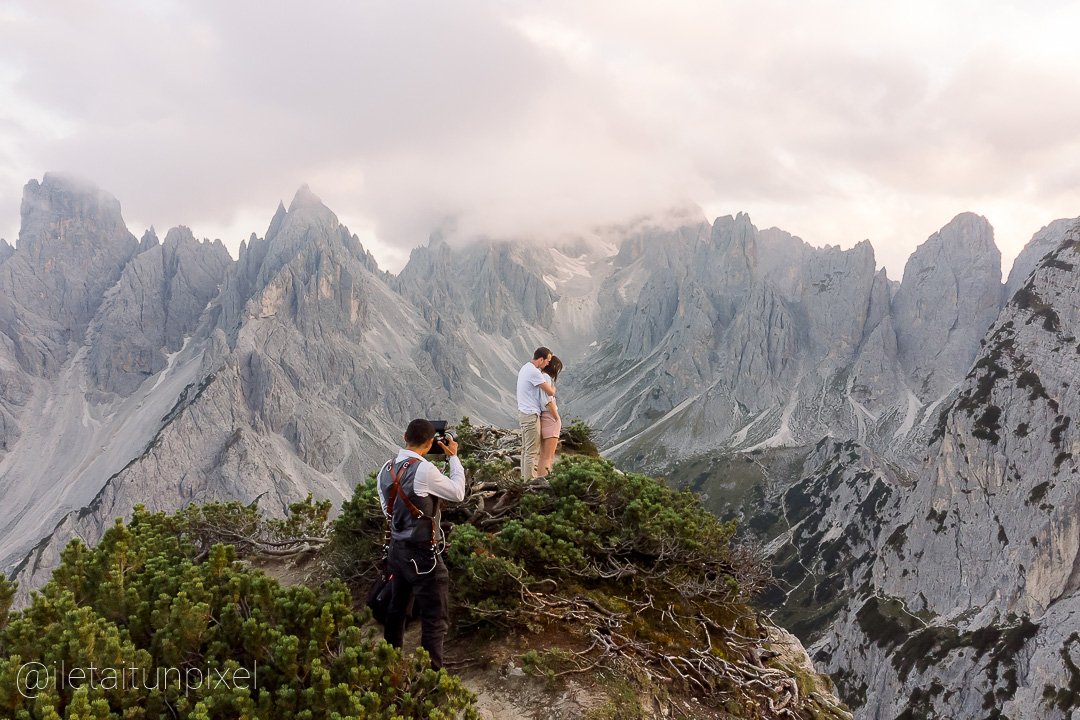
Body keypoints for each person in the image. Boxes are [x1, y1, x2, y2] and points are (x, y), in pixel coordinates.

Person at [376, 418, 465, 670]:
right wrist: (453, 458)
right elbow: (458, 493)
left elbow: (388, 511)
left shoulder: (385, 468)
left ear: (405, 436)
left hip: (397, 552)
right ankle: (431, 676)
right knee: (434, 617)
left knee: (397, 609)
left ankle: (390, 667)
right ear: (430, 444)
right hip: (423, 556)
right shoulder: (424, 470)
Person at [516, 346, 555, 480]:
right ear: (541, 359)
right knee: (532, 451)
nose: (548, 364)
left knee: (526, 449)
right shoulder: (534, 372)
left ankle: (524, 478)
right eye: (547, 361)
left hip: (524, 413)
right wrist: (553, 387)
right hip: (531, 415)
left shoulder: (525, 368)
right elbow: (549, 392)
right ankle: (530, 481)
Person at [537, 355, 563, 478]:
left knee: (543, 456)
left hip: (543, 417)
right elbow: (548, 400)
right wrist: (557, 418)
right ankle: (544, 480)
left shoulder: (540, 376)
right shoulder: (546, 378)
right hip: (550, 418)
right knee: (548, 457)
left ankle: (539, 478)